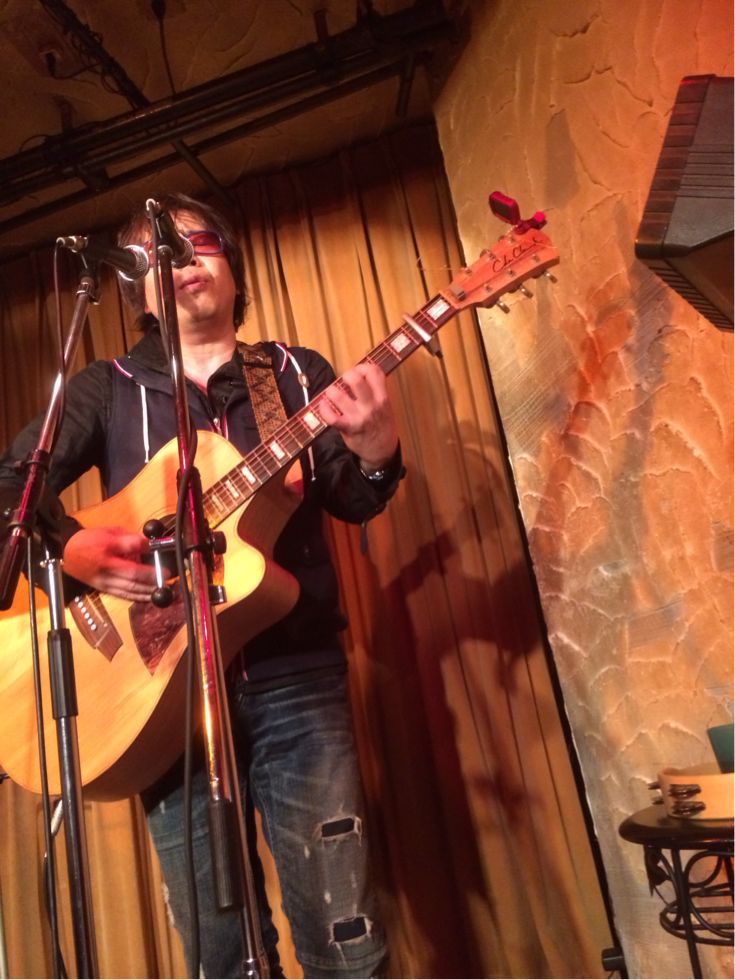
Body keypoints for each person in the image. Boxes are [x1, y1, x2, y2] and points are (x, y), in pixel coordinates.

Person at [0, 192, 404, 978]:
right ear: (138, 291)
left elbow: (352, 496)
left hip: (294, 678)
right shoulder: (106, 387)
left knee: (345, 943)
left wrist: (377, 450)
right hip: (161, 699)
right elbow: (9, 488)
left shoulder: (291, 373)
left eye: (201, 242)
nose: (183, 260)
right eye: (160, 252)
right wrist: (74, 547)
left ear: (233, 267)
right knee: (222, 958)